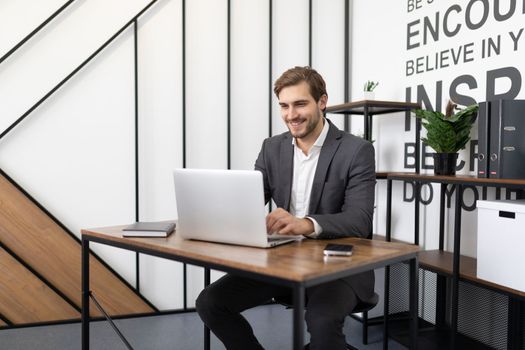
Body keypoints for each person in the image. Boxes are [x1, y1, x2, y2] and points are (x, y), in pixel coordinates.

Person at [196, 66, 376, 350]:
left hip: (339, 267)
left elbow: (360, 220)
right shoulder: (272, 148)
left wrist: (305, 223)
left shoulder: (356, 150)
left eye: (300, 104)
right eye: (284, 106)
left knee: (322, 323)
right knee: (211, 303)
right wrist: (219, 214)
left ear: (322, 102)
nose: (291, 115)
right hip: (284, 262)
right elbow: (249, 200)